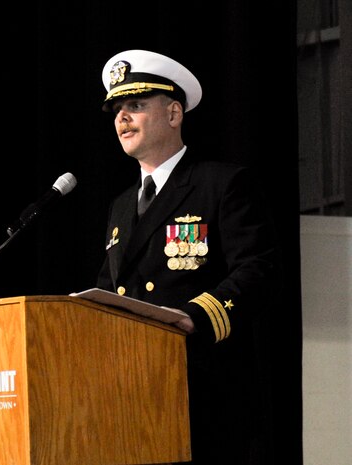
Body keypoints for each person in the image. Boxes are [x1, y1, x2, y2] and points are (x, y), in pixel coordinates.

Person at [96, 49, 282, 465]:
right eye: (117, 110)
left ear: (175, 113)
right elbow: (111, 288)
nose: (122, 118)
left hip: (203, 387)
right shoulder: (121, 206)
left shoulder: (221, 183)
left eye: (136, 105)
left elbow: (259, 270)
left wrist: (194, 316)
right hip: (131, 394)